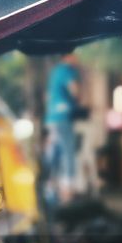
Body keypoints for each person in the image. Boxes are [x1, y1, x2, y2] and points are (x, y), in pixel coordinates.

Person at [44, 52, 82, 204]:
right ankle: (67, 192)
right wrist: (77, 99)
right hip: (63, 118)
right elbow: (74, 89)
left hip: (52, 119)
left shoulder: (55, 71)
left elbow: (47, 96)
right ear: (69, 56)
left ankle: (50, 188)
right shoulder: (68, 70)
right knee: (68, 152)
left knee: (54, 155)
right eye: (75, 56)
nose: (77, 59)